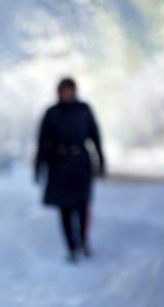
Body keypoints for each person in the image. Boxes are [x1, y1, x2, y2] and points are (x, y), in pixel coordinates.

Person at [34, 77, 105, 263]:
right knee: (65, 208)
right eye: (64, 90)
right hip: (59, 165)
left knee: (83, 205)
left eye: (70, 90)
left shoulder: (83, 110)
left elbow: (95, 135)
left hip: (81, 162)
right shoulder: (52, 113)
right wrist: (38, 166)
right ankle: (71, 247)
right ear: (58, 92)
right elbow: (42, 142)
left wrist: (101, 159)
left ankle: (83, 241)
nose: (67, 94)